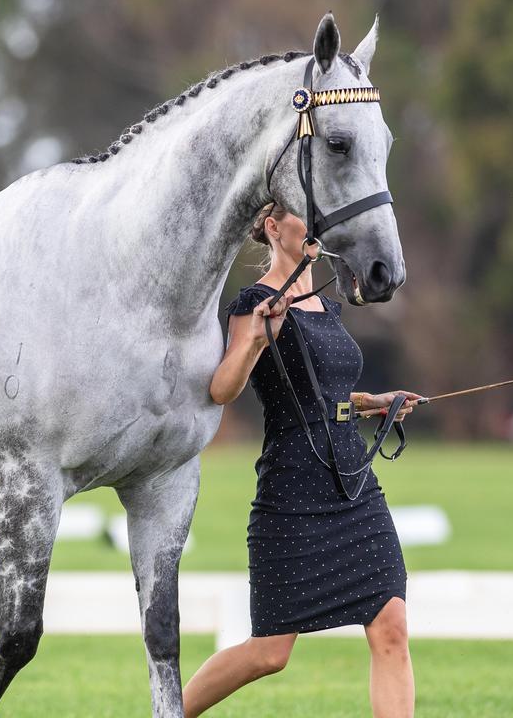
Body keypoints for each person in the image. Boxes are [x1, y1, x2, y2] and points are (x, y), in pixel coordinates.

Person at [185, 202, 419, 718]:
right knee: (270, 653)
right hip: (293, 487)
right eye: (300, 218)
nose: (314, 228)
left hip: (354, 483)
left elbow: (327, 391)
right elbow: (222, 389)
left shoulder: (329, 305)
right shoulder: (255, 301)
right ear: (273, 228)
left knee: (391, 628)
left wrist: (373, 401)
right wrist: (255, 339)